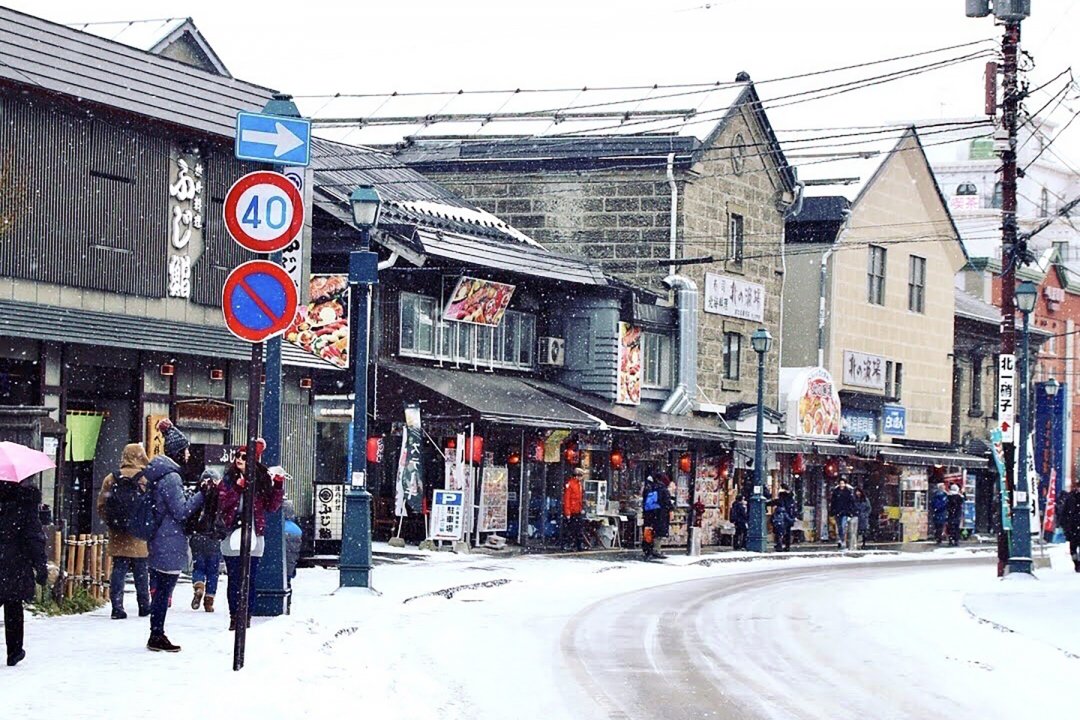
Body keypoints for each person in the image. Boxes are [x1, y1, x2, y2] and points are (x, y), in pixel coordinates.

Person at [144, 419, 205, 652]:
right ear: (178, 452)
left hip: (160, 537)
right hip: (168, 539)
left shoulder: (161, 474)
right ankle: (157, 634)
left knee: (160, 589)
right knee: (163, 590)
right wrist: (200, 494)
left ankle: (156, 632)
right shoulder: (172, 477)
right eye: (186, 450)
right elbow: (181, 511)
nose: (188, 455)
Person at [217, 443, 285, 631]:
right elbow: (222, 503)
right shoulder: (228, 479)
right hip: (232, 533)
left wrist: (278, 485)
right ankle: (235, 616)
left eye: (244, 457)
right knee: (234, 578)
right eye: (237, 456)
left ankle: (245, 616)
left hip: (254, 534)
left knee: (249, 578)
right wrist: (238, 489)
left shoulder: (261, 479)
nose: (239, 460)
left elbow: (272, 506)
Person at [96, 443, 151, 620]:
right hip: (139, 533)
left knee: (119, 569)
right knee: (141, 570)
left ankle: (117, 607)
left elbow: (101, 505)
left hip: (118, 532)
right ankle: (144, 605)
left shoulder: (111, 478)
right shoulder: (146, 478)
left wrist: (113, 521)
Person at [0, 477, 47, 667]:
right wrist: (40, 565)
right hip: (16, 561)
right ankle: (14, 651)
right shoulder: (25, 503)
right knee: (13, 606)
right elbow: (34, 537)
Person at [188, 468, 225, 613]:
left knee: (198, 567)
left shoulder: (196, 495)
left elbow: (189, 514)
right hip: (213, 538)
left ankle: (199, 587)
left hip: (197, 536)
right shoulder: (220, 496)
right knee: (213, 572)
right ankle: (209, 601)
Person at [641, 473, 673, 560]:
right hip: (660, 514)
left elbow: (644, 500)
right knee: (658, 532)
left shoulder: (649, 487)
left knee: (648, 530)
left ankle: (647, 549)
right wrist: (670, 510)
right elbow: (667, 502)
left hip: (649, 514)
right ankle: (656, 550)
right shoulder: (663, 489)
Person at [767, 485, 797, 552]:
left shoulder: (781, 497)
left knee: (779, 533)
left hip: (782, 517)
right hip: (789, 517)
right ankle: (787, 546)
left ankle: (779, 545)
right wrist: (793, 517)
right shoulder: (791, 499)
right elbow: (793, 508)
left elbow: (774, 502)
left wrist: (766, 503)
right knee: (787, 532)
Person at [562, 468, 585, 552]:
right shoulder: (571, 484)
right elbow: (567, 499)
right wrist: (567, 512)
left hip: (577, 510)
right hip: (572, 511)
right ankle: (570, 544)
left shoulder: (578, 484)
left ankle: (577, 544)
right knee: (571, 529)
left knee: (578, 529)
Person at [1059, 481, 1080, 572]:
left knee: (1073, 546)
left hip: (1073, 526)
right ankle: (1076, 563)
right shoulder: (1071, 497)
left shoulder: (1070, 497)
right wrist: (1065, 525)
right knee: (1073, 548)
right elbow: (1064, 512)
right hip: (1073, 527)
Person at [830, 478, 856, 550]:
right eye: (840, 483)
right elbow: (833, 502)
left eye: (843, 483)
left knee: (843, 526)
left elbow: (851, 502)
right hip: (837, 511)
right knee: (839, 526)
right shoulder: (835, 492)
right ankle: (840, 539)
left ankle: (842, 539)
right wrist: (832, 511)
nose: (841, 485)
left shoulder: (848, 492)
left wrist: (850, 511)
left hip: (845, 512)